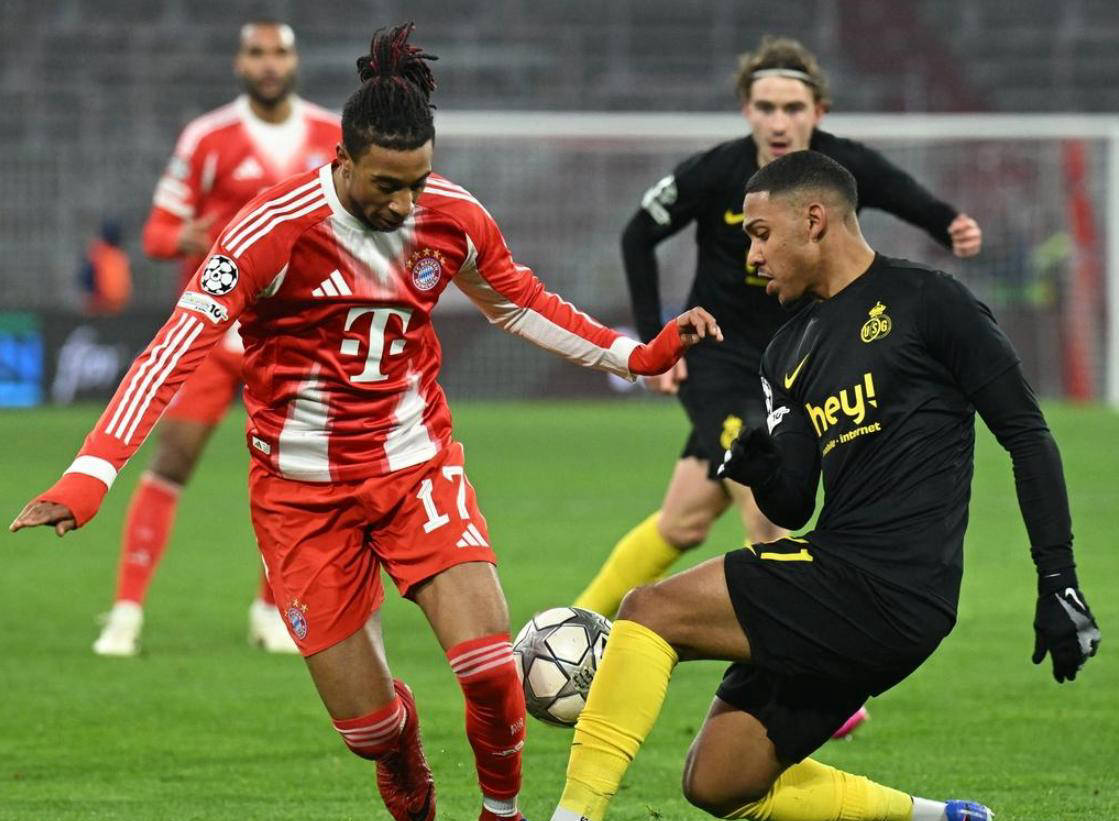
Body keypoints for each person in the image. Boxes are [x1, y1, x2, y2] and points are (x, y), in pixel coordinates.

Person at [10, 23, 721, 821]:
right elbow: (172, 348)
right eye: (387, 184)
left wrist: (637, 354)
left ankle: (502, 811)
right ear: (342, 161)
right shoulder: (270, 230)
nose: (404, 203)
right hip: (301, 496)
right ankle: (399, 752)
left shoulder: (450, 215)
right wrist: (91, 472)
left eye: (418, 181)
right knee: (369, 728)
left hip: (415, 468)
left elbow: (519, 301)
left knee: (490, 667)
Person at [547, 150, 1099, 821]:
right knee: (718, 782)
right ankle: (941, 816)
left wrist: (1058, 581)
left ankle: (571, 816)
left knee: (647, 609)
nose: (751, 256)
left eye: (759, 234)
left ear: (813, 220)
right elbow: (793, 501)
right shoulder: (788, 351)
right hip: (852, 588)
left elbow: (1026, 434)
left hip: (887, 581)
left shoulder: (930, 302)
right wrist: (761, 470)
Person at [574, 33, 982, 642]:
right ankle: (805, 666)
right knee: (766, 509)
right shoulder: (717, 170)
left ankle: (568, 624)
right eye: (765, 107)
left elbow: (902, 192)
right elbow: (638, 235)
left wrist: (948, 223)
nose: (779, 121)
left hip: (796, 369)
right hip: (719, 363)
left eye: (793, 108)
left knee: (684, 522)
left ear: (819, 112)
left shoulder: (839, 170)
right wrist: (657, 344)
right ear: (747, 110)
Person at [92, 20, 341, 656]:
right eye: (257, 53)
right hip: (213, 332)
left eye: (278, 53)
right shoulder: (207, 138)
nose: (268, 64)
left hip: (292, 337)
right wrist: (185, 237)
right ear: (240, 63)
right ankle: (126, 612)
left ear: (294, 62)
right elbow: (156, 233)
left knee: (296, 474)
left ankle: (271, 613)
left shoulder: (332, 137)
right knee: (172, 462)